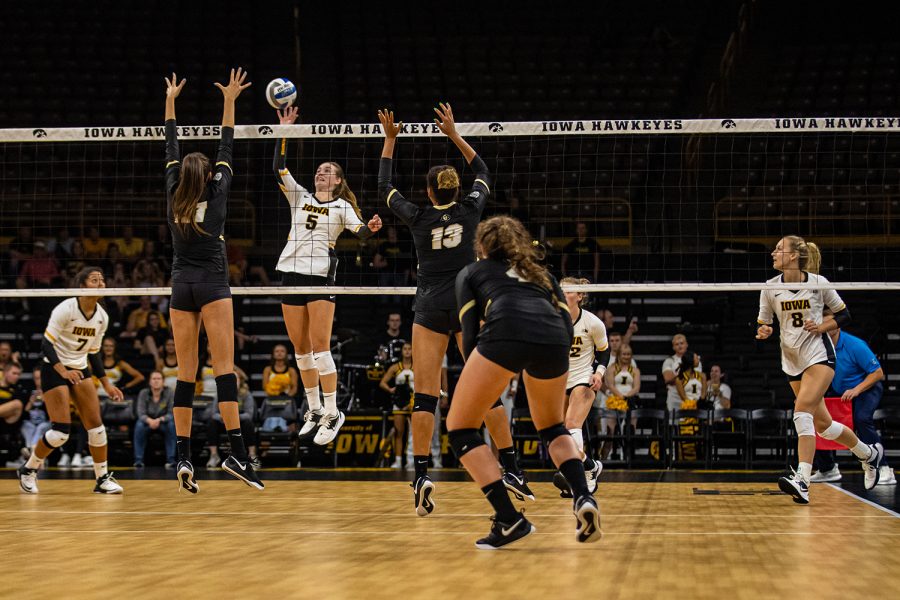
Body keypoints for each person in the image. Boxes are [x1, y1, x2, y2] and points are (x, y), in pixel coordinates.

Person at [378, 106, 528, 514]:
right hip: (467, 307)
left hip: (428, 307)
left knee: (425, 396)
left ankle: (422, 472)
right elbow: (481, 168)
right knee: (488, 390)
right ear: (456, 190)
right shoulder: (470, 209)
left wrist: (391, 138)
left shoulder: (418, 217)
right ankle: (511, 466)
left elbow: (385, 187)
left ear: (429, 193)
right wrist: (454, 134)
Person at [450, 215, 601, 548]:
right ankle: (583, 498)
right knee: (552, 428)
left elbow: (469, 335)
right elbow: (564, 321)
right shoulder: (543, 275)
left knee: (461, 428)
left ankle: (508, 520)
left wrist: (482, 385)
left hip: (504, 333)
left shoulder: (471, 272)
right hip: (554, 340)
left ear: (482, 245)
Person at [163, 68, 262, 492]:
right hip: (212, 284)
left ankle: (183, 458)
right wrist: (230, 99)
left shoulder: (173, 191)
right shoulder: (217, 192)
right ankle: (237, 454)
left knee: (186, 373)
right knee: (224, 371)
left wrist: (171, 98)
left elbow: (170, 142)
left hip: (180, 284)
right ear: (207, 177)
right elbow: (227, 143)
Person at [273, 105, 382, 446]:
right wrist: (285, 131)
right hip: (290, 273)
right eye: (319, 169)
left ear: (338, 181)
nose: (321, 173)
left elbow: (361, 232)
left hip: (320, 276)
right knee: (301, 350)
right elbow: (279, 168)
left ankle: (334, 412)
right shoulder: (299, 196)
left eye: (328, 171)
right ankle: (315, 409)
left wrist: (371, 228)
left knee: (320, 349)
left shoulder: (342, 207)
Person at [756, 235, 883, 503]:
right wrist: (764, 329)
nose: (774, 253)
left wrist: (823, 327)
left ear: (793, 256)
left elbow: (844, 314)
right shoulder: (769, 287)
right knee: (824, 426)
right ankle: (868, 455)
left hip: (819, 356)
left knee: (802, 413)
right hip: (791, 360)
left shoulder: (818, 283)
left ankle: (802, 479)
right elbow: (764, 321)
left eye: (779, 249)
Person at [17, 266, 124, 494]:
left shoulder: (102, 317)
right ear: (82, 286)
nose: (101, 284)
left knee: (97, 428)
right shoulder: (66, 308)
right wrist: (64, 372)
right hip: (54, 368)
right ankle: (28, 469)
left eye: (102, 280)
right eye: (94, 280)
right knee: (60, 433)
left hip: (80, 368)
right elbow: (46, 344)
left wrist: (106, 383)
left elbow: (94, 353)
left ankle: (102, 478)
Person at [811, 326, 894, 485]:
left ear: (837, 325)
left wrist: (856, 390)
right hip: (839, 390)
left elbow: (877, 373)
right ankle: (827, 469)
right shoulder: (819, 346)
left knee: (862, 419)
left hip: (865, 387)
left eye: (829, 323)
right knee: (817, 418)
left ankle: (882, 467)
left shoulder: (855, 345)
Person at [551, 277, 609, 498]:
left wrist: (599, 373)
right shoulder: (554, 319)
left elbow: (604, 350)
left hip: (583, 378)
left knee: (572, 424)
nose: (562, 293)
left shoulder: (592, 322)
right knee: (559, 433)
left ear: (580, 296)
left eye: (568, 291)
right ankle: (590, 466)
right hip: (560, 380)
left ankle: (579, 475)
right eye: (561, 289)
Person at [206, 374, 259, 469]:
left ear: (240, 382)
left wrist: (233, 418)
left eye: (235, 380)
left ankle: (252, 455)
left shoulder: (246, 394)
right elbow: (213, 413)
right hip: (224, 422)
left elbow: (249, 415)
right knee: (211, 423)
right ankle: (214, 455)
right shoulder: (220, 394)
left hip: (240, 422)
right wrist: (224, 418)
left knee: (249, 424)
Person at [602, 345, 640, 459]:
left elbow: (636, 387)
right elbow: (610, 385)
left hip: (630, 402)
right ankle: (605, 458)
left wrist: (627, 397)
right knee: (610, 432)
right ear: (619, 355)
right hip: (614, 401)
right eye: (624, 354)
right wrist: (621, 397)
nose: (626, 356)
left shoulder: (635, 370)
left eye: (628, 354)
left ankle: (627, 456)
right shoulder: (611, 368)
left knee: (630, 430)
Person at [380, 342, 415, 468]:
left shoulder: (417, 366)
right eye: (404, 349)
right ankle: (399, 460)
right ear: (401, 351)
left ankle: (411, 461)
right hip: (399, 403)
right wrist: (391, 390)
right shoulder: (396, 367)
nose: (407, 351)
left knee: (414, 434)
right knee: (399, 433)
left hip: (413, 402)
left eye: (409, 349)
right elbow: (383, 382)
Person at [133, 371, 176, 467]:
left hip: (163, 421)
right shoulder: (143, 393)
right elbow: (140, 413)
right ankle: (138, 460)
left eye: (159, 379)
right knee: (139, 425)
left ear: (163, 381)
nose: (156, 381)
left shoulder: (170, 393)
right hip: (147, 421)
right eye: (154, 379)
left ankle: (171, 460)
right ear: (149, 382)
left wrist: (159, 420)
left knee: (171, 425)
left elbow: (171, 413)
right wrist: (150, 421)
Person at [662, 334, 702, 413]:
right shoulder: (669, 361)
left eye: (682, 343)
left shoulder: (695, 359)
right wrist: (685, 371)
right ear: (673, 347)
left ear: (687, 344)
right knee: (674, 424)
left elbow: (697, 377)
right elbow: (668, 379)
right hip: (675, 399)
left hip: (692, 398)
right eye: (677, 344)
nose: (680, 346)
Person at [21, 366, 51, 457]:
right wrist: (31, 402)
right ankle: (31, 449)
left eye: (40, 378)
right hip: (31, 421)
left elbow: (53, 413)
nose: (38, 381)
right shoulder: (28, 391)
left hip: (45, 422)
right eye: (36, 378)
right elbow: (24, 412)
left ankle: (30, 449)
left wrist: (45, 400)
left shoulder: (50, 391)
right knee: (27, 426)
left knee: (41, 428)